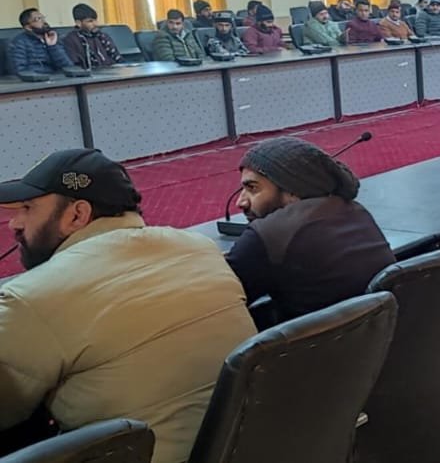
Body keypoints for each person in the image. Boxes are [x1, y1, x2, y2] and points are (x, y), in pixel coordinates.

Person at [0, 149, 256, 463]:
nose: (14, 223)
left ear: (77, 215)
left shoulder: (30, 297)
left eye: (28, 208)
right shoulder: (201, 249)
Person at [226, 137, 394, 327]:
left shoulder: (269, 235)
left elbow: (219, 303)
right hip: (375, 340)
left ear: (292, 190)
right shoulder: (356, 211)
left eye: (252, 188)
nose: (241, 202)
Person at [6, 8, 73, 75]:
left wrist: (53, 46)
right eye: (38, 19)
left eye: (43, 18)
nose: (44, 21)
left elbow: (67, 65)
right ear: (28, 27)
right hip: (35, 78)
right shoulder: (19, 42)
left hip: (57, 77)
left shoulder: (53, 37)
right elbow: (19, 70)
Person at [62, 3, 121, 70]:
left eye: (95, 20)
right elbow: (76, 67)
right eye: (90, 21)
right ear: (78, 23)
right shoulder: (71, 40)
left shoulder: (103, 36)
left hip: (112, 72)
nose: (96, 24)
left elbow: (118, 59)